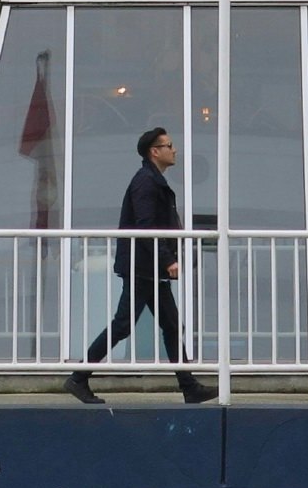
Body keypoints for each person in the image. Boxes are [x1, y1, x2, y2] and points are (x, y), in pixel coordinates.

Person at [67, 125, 215, 405]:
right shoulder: (146, 182)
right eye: (169, 145)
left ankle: (189, 386)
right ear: (154, 151)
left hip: (149, 268)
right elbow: (146, 227)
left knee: (171, 325)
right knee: (123, 324)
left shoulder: (152, 180)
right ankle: (78, 377)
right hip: (142, 268)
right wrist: (168, 259)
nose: (174, 150)